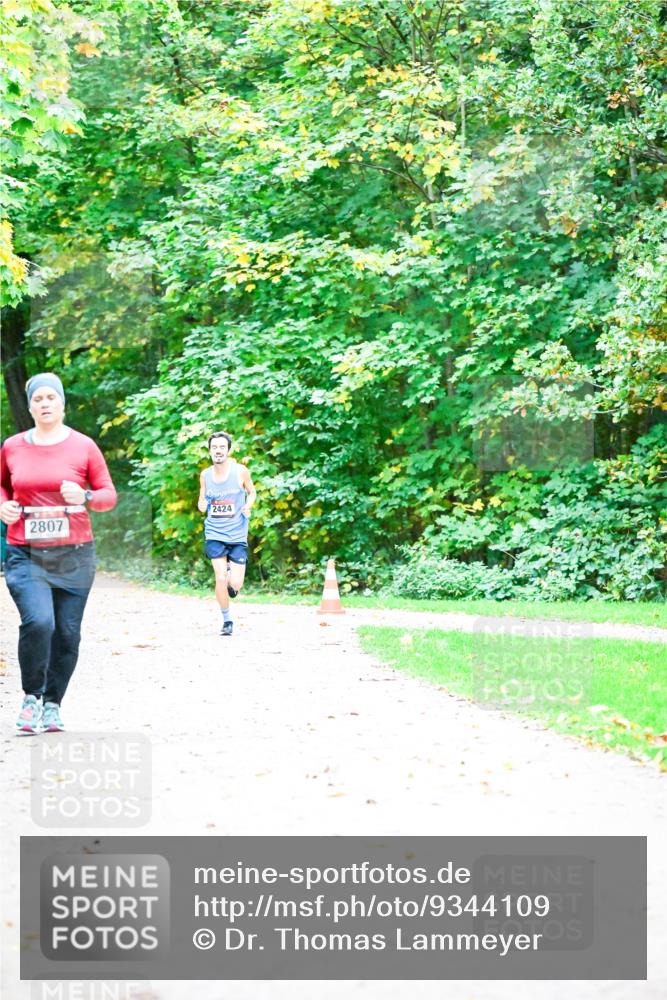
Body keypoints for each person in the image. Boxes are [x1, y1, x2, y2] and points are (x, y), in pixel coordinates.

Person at [0, 373, 117, 733]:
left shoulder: (83, 446)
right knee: (39, 622)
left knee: (67, 633)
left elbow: (107, 496)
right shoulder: (13, 446)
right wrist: (2, 507)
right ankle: (31, 698)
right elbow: (2, 488)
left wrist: (83, 496)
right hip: (26, 552)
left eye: (52, 397)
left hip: (74, 555)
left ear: (62, 404)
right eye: (38, 399)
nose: (45, 404)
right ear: (31, 405)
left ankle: (53, 704)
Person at [198, 431, 256, 636]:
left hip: (237, 534)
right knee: (220, 578)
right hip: (214, 533)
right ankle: (227, 620)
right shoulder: (205, 475)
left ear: (229, 450)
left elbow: (253, 492)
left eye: (222, 447)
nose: (218, 451)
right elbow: (201, 502)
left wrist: (248, 505)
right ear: (210, 450)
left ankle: (233, 572)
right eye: (214, 447)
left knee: (235, 584)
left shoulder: (240, 472)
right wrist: (202, 504)